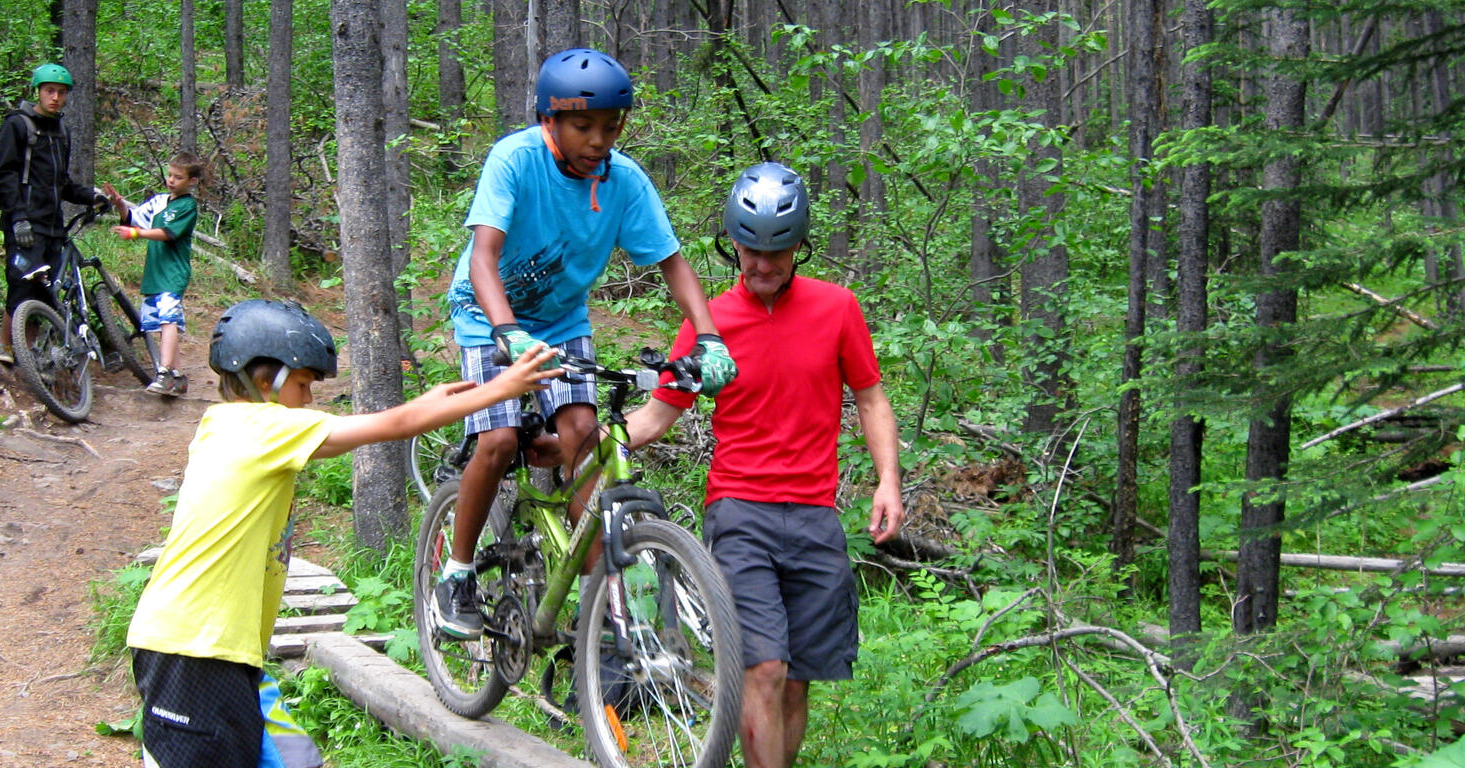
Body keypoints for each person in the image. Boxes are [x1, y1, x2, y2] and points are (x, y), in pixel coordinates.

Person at [125, 298, 559, 768]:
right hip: (191, 653)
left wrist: (425, 404)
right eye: (303, 383)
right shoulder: (259, 428)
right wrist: (504, 388)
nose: (309, 398)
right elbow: (393, 426)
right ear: (263, 375)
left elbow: (399, 418)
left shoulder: (235, 426)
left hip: (224, 653)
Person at [432, 47, 737, 640]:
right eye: (583, 126)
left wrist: (709, 337)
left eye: (611, 126)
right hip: (486, 315)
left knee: (582, 444)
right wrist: (505, 332)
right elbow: (484, 259)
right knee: (495, 441)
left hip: (562, 321)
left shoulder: (624, 182)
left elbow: (673, 264)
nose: (600, 139)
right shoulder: (515, 160)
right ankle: (457, 575)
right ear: (550, 120)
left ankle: (615, 624)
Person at [625, 162, 905, 768]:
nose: (762, 265)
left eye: (776, 253)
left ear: (801, 245)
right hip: (738, 512)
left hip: (814, 515)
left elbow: (871, 396)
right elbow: (656, 415)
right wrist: (598, 443)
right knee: (764, 668)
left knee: (798, 677)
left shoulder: (837, 309)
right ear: (733, 244)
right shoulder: (710, 324)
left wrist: (888, 481)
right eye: (750, 251)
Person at [0, 63, 106, 364]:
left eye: (61, 92)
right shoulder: (17, 125)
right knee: (22, 283)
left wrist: (90, 197)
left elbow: (61, 182)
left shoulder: (61, 131)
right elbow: (4, 176)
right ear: (37, 91)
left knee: (45, 291)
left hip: (53, 225)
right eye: (49, 90)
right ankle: (5, 347)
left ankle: (30, 357)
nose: (55, 97)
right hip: (24, 223)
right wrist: (18, 218)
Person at [101, 152, 204, 396]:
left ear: (192, 181)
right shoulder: (159, 201)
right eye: (170, 175)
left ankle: (164, 372)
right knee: (159, 323)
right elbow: (135, 219)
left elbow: (168, 233)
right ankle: (178, 377)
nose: (171, 180)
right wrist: (119, 203)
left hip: (173, 272)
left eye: (178, 177)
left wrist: (136, 234)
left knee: (169, 320)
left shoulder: (187, 206)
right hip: (154, 273)